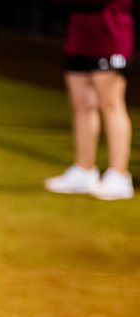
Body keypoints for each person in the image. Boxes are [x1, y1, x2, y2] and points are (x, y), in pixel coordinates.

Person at [45, 0, 134, 200]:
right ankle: (84, 170)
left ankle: (119, 175)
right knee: (81, 101)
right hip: (81, 24)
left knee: (111, 102)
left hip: (109, 23)